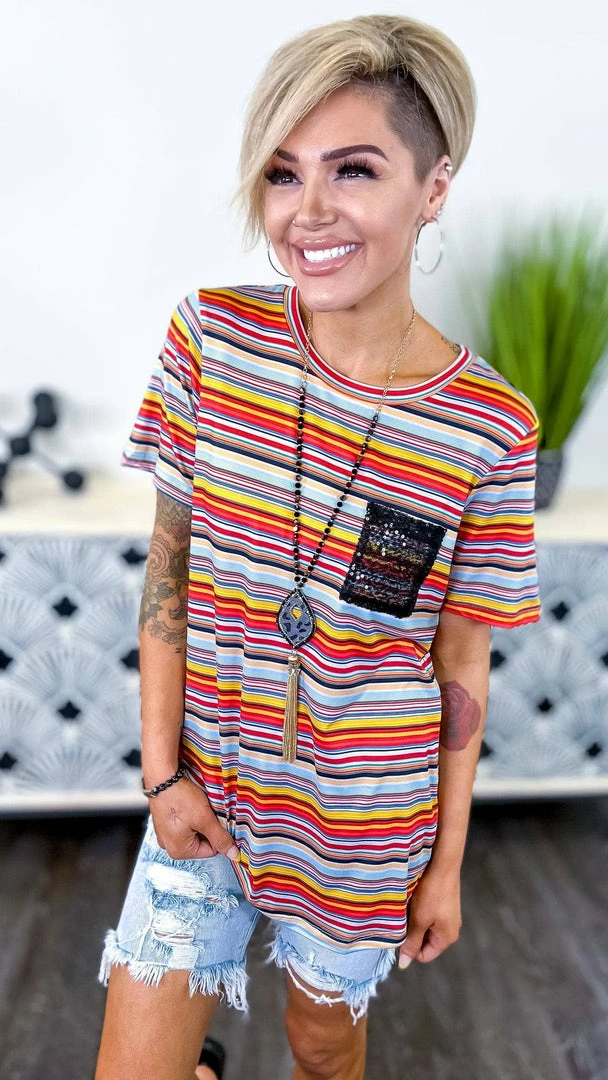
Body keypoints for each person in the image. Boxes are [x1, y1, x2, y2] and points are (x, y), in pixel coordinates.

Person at [94, 13, 541, 1080]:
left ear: (433, 188)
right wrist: (161, 777)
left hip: (361, 824)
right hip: (203, 791)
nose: (309, 211)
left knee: (321, 1049)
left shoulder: (490, 427)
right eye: (283, 173)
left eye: (354, 169)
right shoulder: (211, 339)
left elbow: (460, 661)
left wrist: (445, 866)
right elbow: (170, 567)